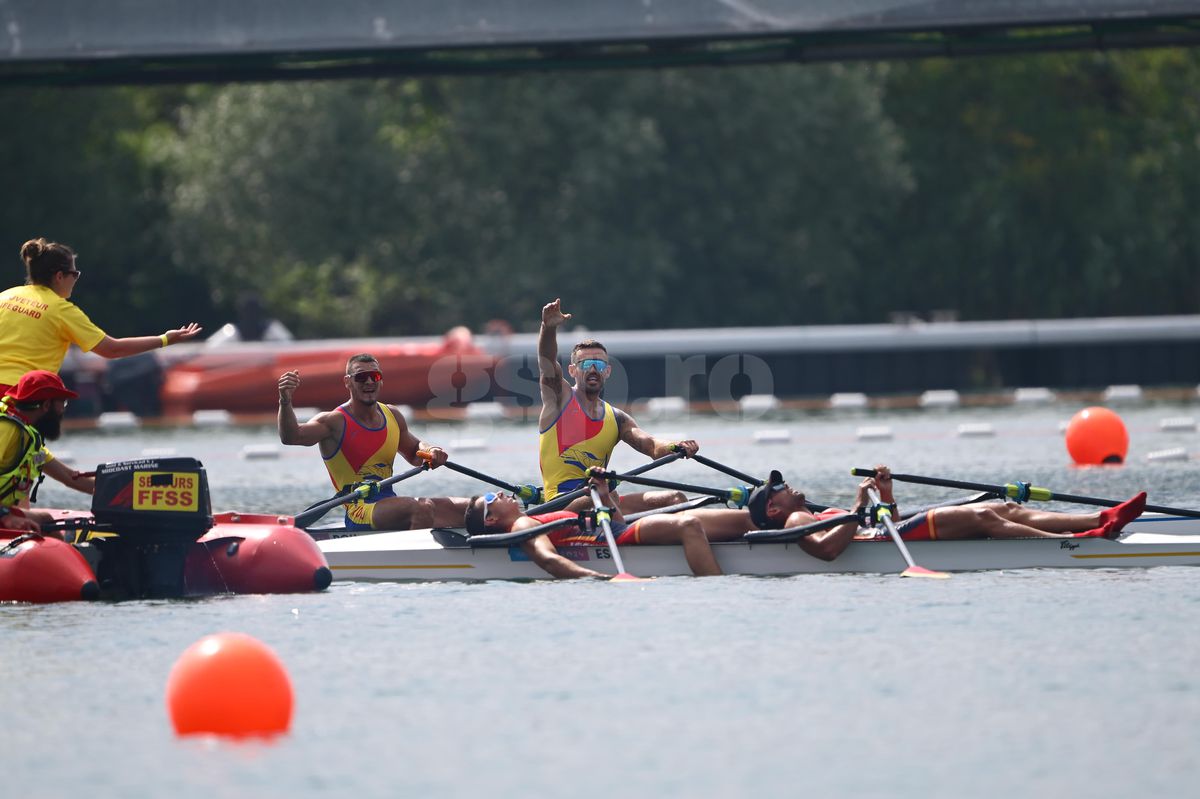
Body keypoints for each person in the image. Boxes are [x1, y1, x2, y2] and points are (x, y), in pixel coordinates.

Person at [747, 465, 1147, 554]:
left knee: (1005, 507)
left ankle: (1100, 519)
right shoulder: (797, 520)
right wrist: (855, 508)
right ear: (773, 508)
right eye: (778, 488)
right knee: (984, 517)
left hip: (893, 533)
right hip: (888, 540)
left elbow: (891, 522)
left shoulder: (811, 514)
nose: (788, 487)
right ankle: (1075, 541)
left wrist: (886, 497)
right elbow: (827, 552)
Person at [537, 298, 696, 513]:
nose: (593, 368)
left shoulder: (618, 418)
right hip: (561, 505)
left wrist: (676, 446)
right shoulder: (559, 398)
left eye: (599, 364)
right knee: (607, 496)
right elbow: (547, 362)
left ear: (607, 372)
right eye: (585, 364)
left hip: (602, 498)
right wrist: (548, 328)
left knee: (674, 498)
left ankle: (675, 535)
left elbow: (650, 445)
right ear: (573, 371)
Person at [277, 354, 469, 530]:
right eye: (361, 377)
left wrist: (431, 450)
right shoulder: (334, 421)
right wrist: (285, 401)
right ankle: (420, 564)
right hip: (360, 509)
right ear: (348, 382)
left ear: (381, 380)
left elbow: (415, 453)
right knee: (422, 508)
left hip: (389, 504)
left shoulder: (392, 415)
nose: (369, 381)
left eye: (374, 376)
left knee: (478, 508)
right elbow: (292, 437)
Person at [0, 238, 203, 394]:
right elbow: (113, 349)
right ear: (59, 276)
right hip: (20, 395)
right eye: (75, 274)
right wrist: (165, 339)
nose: (76, 279)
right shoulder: (61, 310)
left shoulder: (5, 296)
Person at [465, 473, 726, 577]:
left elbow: (614, 520)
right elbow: (549, 560)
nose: (498, 494)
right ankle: (716, 588)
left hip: (616, 529)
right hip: (612, 539)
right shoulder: (522, 525)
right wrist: (603, 579)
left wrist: (601, 493)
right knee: (689, 524)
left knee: (744, 519)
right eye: (490, 499)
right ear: (491, 519)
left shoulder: (529, 520)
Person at [0, 370, 96, 533]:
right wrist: (5, 516)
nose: (63, 411)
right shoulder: (7, 428)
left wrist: (124, 489)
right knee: (44, 523)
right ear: (46, 405)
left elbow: (70, 477)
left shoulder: (29, 440)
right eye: (63, 403)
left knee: (46, 520)